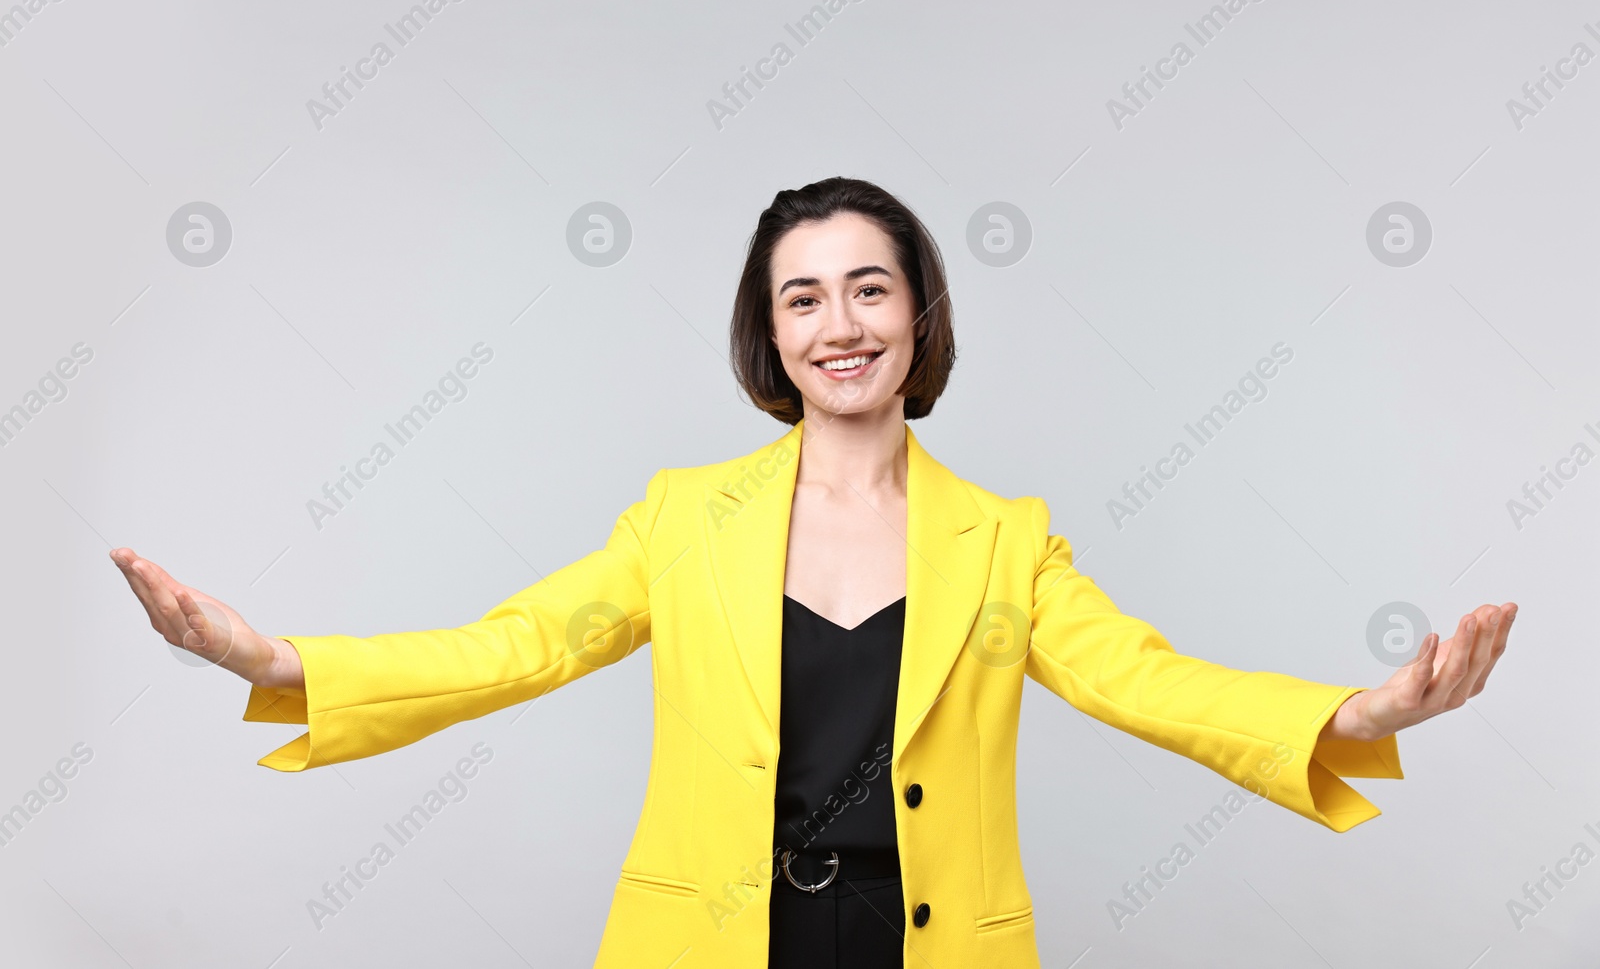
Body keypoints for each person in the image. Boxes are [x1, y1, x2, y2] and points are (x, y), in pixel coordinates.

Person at [112, 177, 1516, 968]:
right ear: (769, 335)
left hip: (929, 945)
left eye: (868, 288)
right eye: (802, 295)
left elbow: (1147, 685)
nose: (838, 323)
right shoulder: (684, 517)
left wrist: (1353, 721)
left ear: (917, 315)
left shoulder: (1008, 538)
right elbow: (515, 647)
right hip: (715, 942)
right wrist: (286, 667)